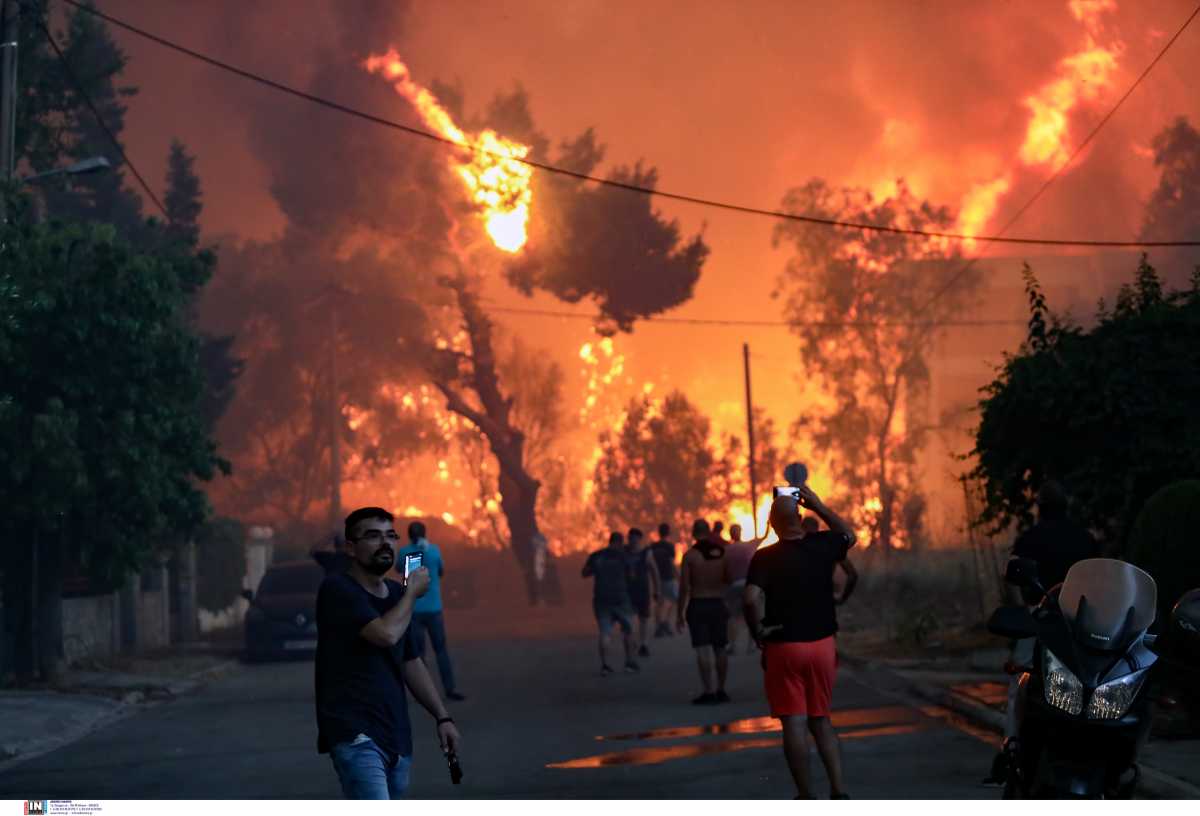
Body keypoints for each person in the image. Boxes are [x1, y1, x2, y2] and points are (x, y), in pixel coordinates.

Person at [315, 506, 461, 799]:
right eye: (373, 536)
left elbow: (411, 661)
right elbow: (384, 634)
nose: (385, 543)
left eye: (390, 536)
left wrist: (442, 717)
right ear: (351, 548)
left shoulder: (395, 594)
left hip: (395, 735)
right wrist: (411, 593)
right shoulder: (338, 590)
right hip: (355, 734)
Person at [983, 480, 1099, 787]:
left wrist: (1023, 607)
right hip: (1082, 624)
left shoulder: (1029, 539)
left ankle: (1011, 747)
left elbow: (1012, 579)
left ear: (1040, 508)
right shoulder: (1085, 540)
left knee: (1020, 683)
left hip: (1039, 621)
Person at [744, 487, 858, 799]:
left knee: (793, 722)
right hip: (822, 645)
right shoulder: (823, 544)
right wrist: (818, 505)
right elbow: (849, 535)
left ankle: (806, 796)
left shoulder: (764, 558)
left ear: (772, 523)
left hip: (784, 646)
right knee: (821, 719)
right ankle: (838, 790)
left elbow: (751, 598)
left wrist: (757, 631)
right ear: (798, 517)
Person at [398, 521, 466, 702]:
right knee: (441, 650)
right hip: (434, 609)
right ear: (425, 534)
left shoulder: (405, 552)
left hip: (415, 610)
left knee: (419, 654)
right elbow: (441, 571)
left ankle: (424, 692)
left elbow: (399, 570)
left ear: (409, 535)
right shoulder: (434, 551)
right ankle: (450, 689)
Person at [678, 519, 733, 704]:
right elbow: (729, 579)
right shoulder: (723, 554)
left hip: (698, 604)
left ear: (693, 533)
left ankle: (708, 692)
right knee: (720, 648)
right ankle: (722, 690)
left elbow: (684, 587)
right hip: (718, 604)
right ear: (709, 532)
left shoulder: (690, 556)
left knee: (703, 649)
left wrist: (679, 613)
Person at [582, 532, 640, 675]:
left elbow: (585, 573)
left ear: (610, 541)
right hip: (621, 598)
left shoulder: (597, 556)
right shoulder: (623, 557)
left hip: (601, 599)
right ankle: (629, 663)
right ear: (620, 543)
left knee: (605, 633)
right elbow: (632, 576)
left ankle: (605, 666)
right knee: (628, 630)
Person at [725, 524, 761, 655]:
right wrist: (768, 525)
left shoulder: (726, 550)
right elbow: (763, 537)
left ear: (730, 534)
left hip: (734, 586)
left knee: (733, 617)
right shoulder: (749, 545)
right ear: (740, 533)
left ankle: (732, 645)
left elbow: (724, 571)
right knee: (752, 616)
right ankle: (752, 645)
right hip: (748, 585)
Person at [625, 527, 659, 658]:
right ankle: (631, 641)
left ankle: (643, 644)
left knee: (643, 618)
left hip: (643, 590)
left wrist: (657, 590)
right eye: (630, 537)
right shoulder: (624, 552)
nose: (632, 540)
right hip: (628, 591)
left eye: (634, 538)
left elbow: (654, 571)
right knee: (629, 619)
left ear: (639, 539)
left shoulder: (646, 553)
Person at [649, 523, 679, 638]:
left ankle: (659, 626)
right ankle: (665, 622)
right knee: (675, 599)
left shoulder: (653, 546)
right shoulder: (669, 546)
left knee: (659, 602)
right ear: (668, 532)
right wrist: (679, 576)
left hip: (657, 578)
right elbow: (672, 564)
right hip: (669, 577)